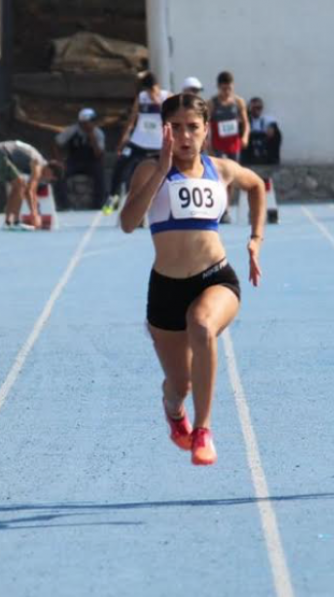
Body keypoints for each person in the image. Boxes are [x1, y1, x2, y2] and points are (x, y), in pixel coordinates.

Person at [119, 93, 266, 466]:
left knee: (201, 326)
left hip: (216, 277)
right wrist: (163, 167)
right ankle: (173, 410)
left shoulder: (221, 168)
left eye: (193, 128)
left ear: (206, 130)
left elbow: (256, 186)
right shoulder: (149, 169)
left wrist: (255, 239)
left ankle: (204, 430)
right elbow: (128, 223)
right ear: (164, 131)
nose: (185, 136)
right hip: (166, 289)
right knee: (179, 384)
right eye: (177, 128)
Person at [105, 72, 171, 214]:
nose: (150, 93)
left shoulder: (167, 96)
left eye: (152, 90)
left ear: (158, 86)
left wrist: (158, 104)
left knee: (167, 171)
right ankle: (113, 196)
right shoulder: (141, 98)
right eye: (148, 90)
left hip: (157, 144)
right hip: (139, 142)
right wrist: (124, 138)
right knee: (121, 163)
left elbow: (173, 116)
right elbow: (132, 120)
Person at [52, 107, 106, 210]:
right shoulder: (72, 130)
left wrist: (92, 137)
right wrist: (59, 160)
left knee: (100, 174)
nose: (86, 125)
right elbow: (56, 143)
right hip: (74, 161)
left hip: (91, 162)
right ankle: (63, 204)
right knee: (60, 174)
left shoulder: (98, 133)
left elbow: (99, 154)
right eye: (84, 123)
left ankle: (98, 205)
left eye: (89, 122)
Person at [0, 140, 47, 230]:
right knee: (21, 184)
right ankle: (16, 221)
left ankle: (8, 221)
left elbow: (32, 191)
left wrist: (35, 209)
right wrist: (35, 214)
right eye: (48, 179)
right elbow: (29, 191)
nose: (44, 180)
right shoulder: (38, 164)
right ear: (50, 172)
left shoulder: (38, 159)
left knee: (17, 186)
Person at [241, 96, 282, 166]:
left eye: (259, 108)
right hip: (251, 146)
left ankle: (273, 160)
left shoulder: (267, 118)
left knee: (277, 133)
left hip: (264, 143)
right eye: (254, 108)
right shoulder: (247, 119)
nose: (257, 110)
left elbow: (271, 131)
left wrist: (270, 129)